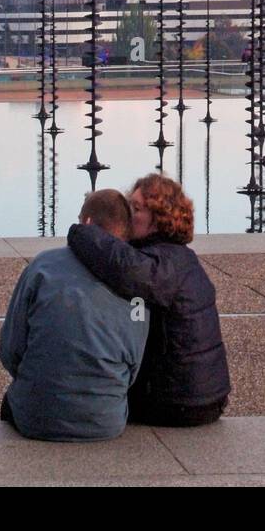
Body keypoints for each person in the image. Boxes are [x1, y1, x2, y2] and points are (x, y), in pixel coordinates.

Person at [67, 174, 231, 427]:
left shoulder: (164, 262)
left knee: (88, 404)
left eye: (137, 208)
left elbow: (127, 270)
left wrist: (85, 233)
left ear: (159, 218)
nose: (129, 215)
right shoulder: (178, 258)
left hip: (179, 403)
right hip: (203, 397)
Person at [0, 190, 148, 442]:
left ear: (86, 223)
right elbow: (133, 365)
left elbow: (10, 350)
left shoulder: (43, 266)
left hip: (35, 418)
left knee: (11, 402)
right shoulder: (135, 275)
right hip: (106, 421)